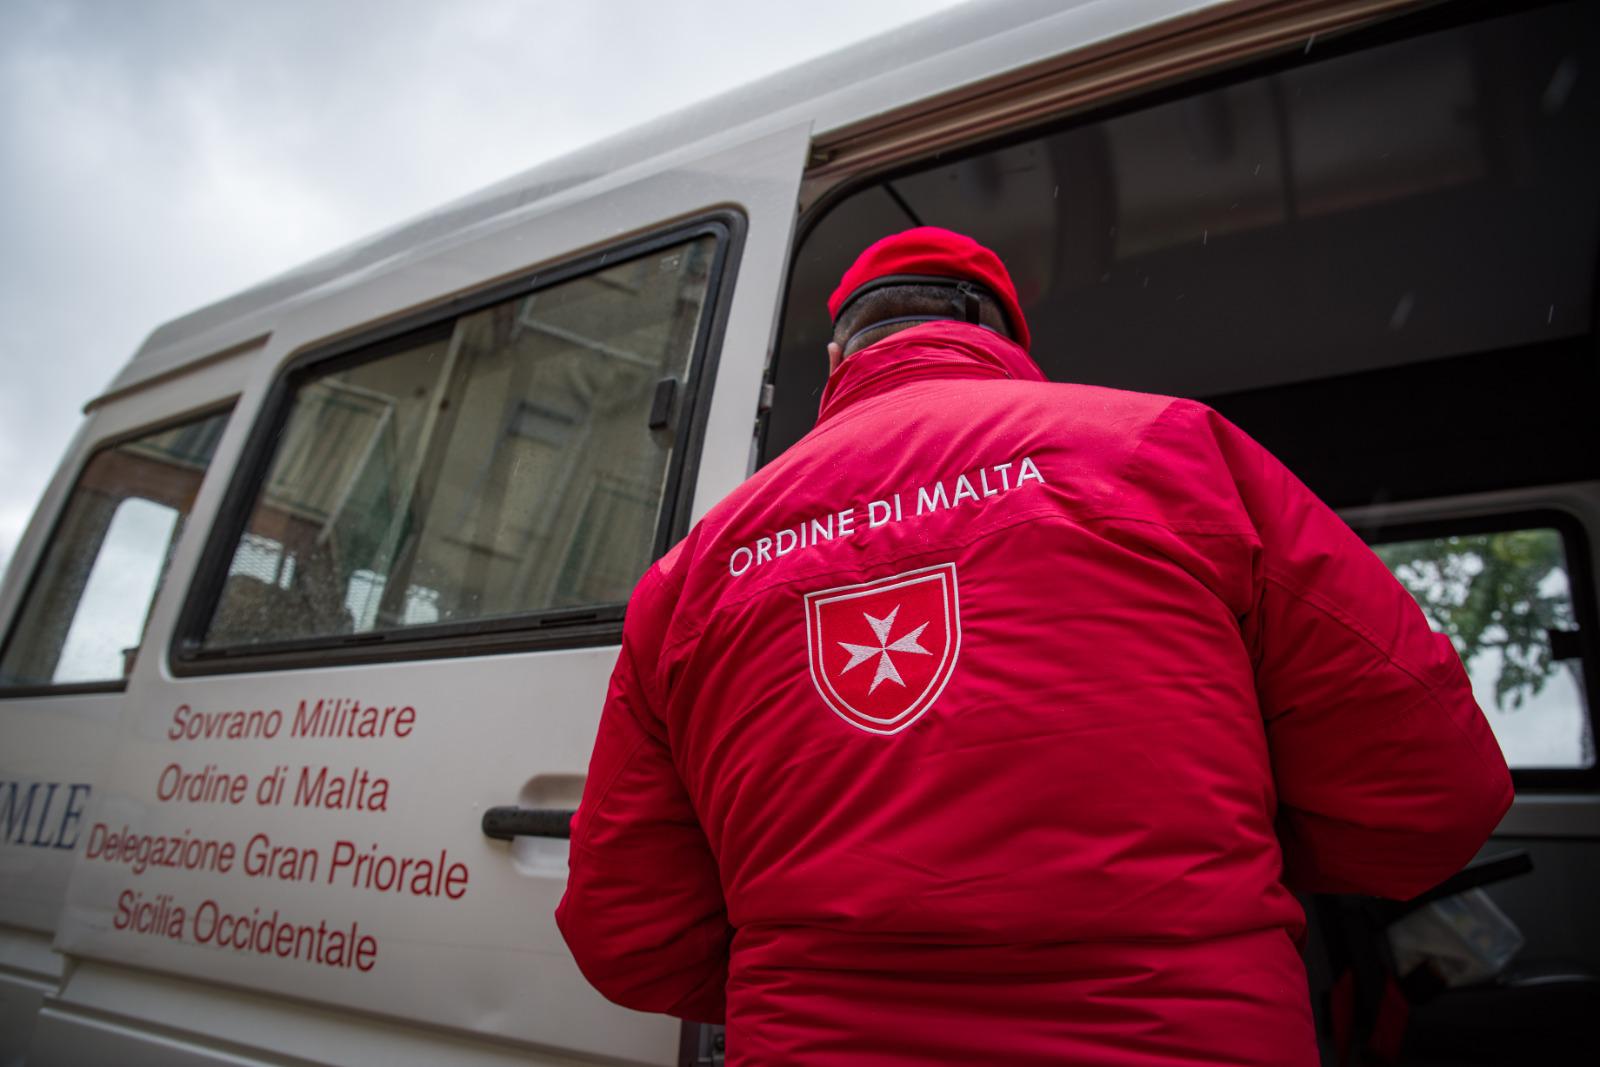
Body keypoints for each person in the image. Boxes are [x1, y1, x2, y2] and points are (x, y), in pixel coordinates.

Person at [555, 227, 1513, 1065]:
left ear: (842, 349)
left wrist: (819, 972)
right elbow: (1440, 794)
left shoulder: (691, 574)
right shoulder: (1169, 450)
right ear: (1005, 338)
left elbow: (626, 936)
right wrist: (1229, 841)